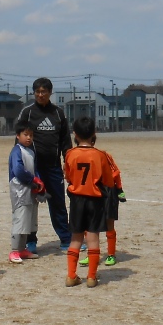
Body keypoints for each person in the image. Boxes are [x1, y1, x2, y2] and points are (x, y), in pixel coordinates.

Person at [15, 77, 72, 253]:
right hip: (33, 168)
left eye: (44, 91)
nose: (41, 95)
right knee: (31, 205)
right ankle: (30, 241)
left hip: (54, 167)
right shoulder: (27, 113)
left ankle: (66, 239)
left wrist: (68, 161)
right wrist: (19, 163)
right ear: (34, 93)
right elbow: (19, 139)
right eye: (38, 92)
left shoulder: (58, 113)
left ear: (50, 93)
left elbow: (65, 140)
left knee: (58, 204)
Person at [63, 116, 113, 287]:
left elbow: (68, 176)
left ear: (75, 134)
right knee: (93, 238)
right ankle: (91, 277)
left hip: (77, 200)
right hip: (95, 200)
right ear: (94, 133)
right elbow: (108, 180)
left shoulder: (70, 154)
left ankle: (71, 275)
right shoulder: (100, 155)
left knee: (76, 238)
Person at [81, 139, 124, 268]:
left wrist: (120, 190)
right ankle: (92, 254)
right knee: (90, 225)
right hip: (92, 191)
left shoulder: (104, 155)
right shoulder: (79, 155)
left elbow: (116, 173)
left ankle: (111, 254)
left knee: (109, 222)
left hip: (108, 191)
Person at [7, 120, 44, 263]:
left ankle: (22, 249)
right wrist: (33, 179)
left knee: (29, 220)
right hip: (19, 191)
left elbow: (35, 169)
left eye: (31, 135)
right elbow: (18, 170)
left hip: (30, 191)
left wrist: (38, 183)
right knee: (20, 219)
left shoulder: (31, 151)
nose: (29, 138)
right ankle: (14, 250)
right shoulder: (16, 151)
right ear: (18, 135)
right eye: (25, 134)